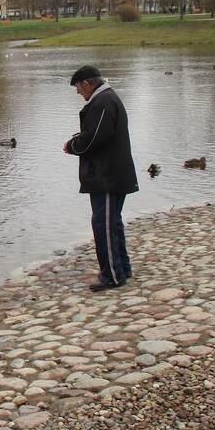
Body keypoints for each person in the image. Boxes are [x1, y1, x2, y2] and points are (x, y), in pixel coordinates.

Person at [63, 65, 138, 291]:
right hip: (112, 174)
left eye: (78, 86)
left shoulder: (103, 101)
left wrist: (72, 145)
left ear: (88, 83)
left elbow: (94, 138)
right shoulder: (106, 99)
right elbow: (99, 133)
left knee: (103, 225)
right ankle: (122, 268)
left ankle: (112, 276)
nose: (78, 92)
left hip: (107, 176)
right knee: (112, 223)